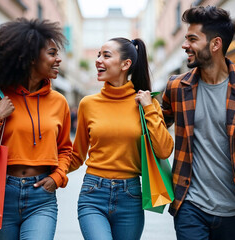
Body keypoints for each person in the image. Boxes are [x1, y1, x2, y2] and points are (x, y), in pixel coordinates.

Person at [161, 6, 235, 240]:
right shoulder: (176, 87)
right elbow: (156, 128)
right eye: (185, 38)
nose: (185, 45)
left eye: (192, 39)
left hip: (234, 209)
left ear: (215, 44)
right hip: (189, 205)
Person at [0, 18, 72, 240]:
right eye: (51, 53)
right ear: (29, 57)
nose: (58, 59)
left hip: (42, 196)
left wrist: (58, 177)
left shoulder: (59, 102)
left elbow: (65, 150)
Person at [69, 37, 174, 240]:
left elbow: (164, 150)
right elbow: (76, 155)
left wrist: (148, 107)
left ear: (126, 64)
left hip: (131, 196)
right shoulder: (87, 104)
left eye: (106, 55)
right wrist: (49, 172)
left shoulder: (146, 101)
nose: (98, 60)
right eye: (99, 55)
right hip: (93, 193)